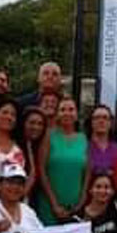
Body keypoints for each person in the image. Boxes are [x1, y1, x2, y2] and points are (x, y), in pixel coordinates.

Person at [36, 96, 88, 224]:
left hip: (75, 204)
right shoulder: (48, 136)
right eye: (63, 109)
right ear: (57, 114)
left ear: (76, 114)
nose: (67, 113)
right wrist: (54, 204)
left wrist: (82, 200)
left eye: (71, 109)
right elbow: (41, 170)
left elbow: (87, 174)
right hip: (49, 204)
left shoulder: (84, 139)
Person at [20, 107, 48, 207]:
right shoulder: (15, 147)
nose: (36, 127)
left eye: (40, 124)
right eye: (32, 123)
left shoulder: (39, 147)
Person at [86, 105, 117, 178]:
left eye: (105, 118)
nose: (101, 121)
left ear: (111, 123)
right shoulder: (83, 148)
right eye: (97, 118)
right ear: (91, 122)